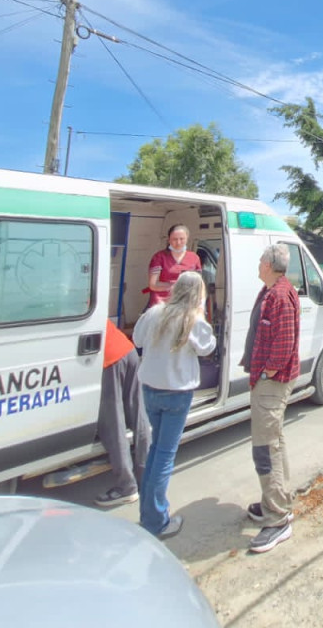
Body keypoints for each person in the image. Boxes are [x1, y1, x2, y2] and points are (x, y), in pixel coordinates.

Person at [132, 272, 216, 538]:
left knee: (155, 451)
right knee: (164, 456)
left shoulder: (154, 313)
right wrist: (201, 313)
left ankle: (148, 514)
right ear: (197, 295)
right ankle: (156, 521)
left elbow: (137, 339)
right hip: (177, 394)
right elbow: (208, 347)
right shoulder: (193, 320)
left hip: (150, 390)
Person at [241, 243, 300, 554]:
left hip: (271, 382)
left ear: (269, 264)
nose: (258, 263)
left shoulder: (279, 295)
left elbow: (285, 341)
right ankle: (276, 502)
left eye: (261, 259)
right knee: (274, 442)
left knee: (266, 450)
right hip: (268, 379)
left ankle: (277, 520)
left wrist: (267, 373)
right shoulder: (272, 290)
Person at [94, 318, 151, 509]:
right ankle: (147, 478)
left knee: (113, 423)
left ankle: (127, 487)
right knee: (138, 416)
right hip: (127, 350)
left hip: (109, 360)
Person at [143, 224, 201, 309]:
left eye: (182, 239)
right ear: (169, 240)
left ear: (187, 238)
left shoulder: (194, 258)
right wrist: (176, 287)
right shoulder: (159, 257)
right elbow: (153, 284)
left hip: (186, 302)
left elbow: (198, 282)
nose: (178, 242)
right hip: (161, 303)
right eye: (174, 239)